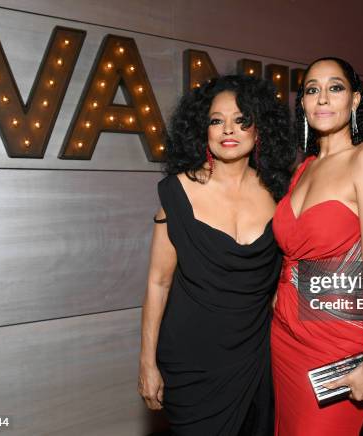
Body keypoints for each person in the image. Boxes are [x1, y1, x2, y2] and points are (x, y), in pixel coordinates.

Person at [138, 75, 295, 436]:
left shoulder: (280, 194)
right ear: (202, 129)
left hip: (255, 357)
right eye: (216, 120)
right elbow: (158, 283)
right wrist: (147, 362)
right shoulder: (177, 192)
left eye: (242, 120)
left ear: (260, 130)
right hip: (190, 360)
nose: (229, 130)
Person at [271, 57, 363, 435]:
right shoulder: (304, 167)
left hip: (337, 338)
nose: (322, 98)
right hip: (284, 333)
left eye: (335, 87)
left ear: (355, 100)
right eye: (312, 90)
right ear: (304, 104)